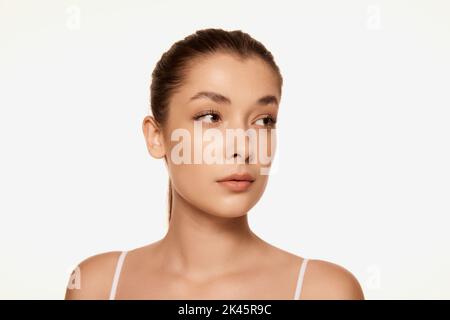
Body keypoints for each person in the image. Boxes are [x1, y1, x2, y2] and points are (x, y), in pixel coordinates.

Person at [65, 28, 364, 300]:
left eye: (263, 120)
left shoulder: (325, 291)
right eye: (210, 117)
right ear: (156, 137)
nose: (243, 148)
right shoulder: (96, 286)